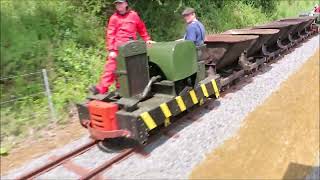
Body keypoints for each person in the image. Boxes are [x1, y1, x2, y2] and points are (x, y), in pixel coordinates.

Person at [91, 0, 154, 94]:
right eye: (117, 4)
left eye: (120, 3)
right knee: (111, 68)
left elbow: (141, 28)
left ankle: (122, 89)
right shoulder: (114, 18)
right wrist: (111, 49)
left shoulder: (134, 15)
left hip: (131, 48)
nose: (118, 5)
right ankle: (102, 88)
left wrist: (147, 39)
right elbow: (110, 34)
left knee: (129, 70)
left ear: (126, 4)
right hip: (118, 49)